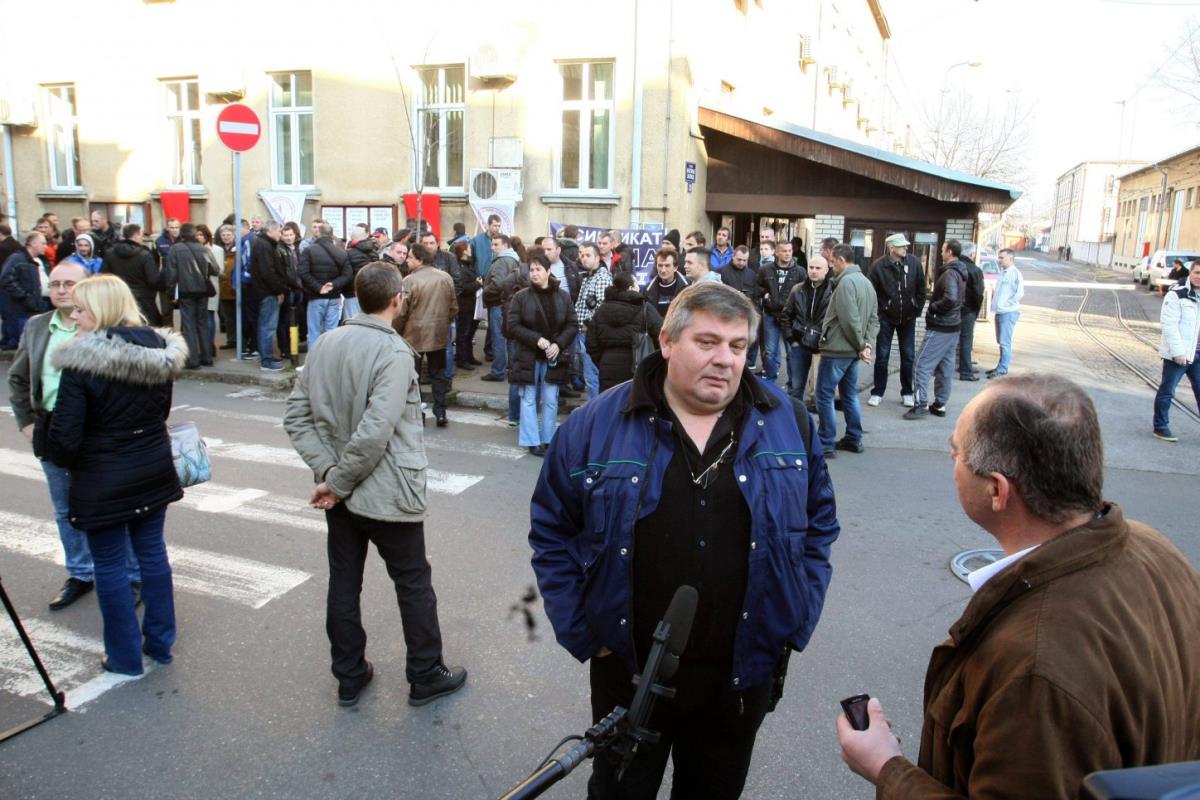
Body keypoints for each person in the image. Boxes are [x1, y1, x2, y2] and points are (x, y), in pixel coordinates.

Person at [530, 281, 840, 799]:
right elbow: (552, 531)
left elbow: (818, 528)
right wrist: (588, 634)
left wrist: (795, 618)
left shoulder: (791, 424)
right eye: (708, 342)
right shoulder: (592, 426)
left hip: (739, 679)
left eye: (737, 347)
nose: (725, 360)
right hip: (627, 675)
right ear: (667, 341)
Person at [837, 374, 1200, 799]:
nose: (951, 459)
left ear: (996, 490)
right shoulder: (1152, 545)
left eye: (956, 451)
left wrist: (885, 768)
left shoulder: (1034, 667)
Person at [283, 262, 468, 708]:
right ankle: (425, 673)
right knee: (412, 581)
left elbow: (296, 417)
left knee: (345, 582)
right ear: (397, 300)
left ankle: (349, 675)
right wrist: (338, 481)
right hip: (385, 491)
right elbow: (375, 431)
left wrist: (329, 475)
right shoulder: (395, 352)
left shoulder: (325, 343)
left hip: (342, 492)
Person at [45, 275, 185, 674]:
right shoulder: (159, 349)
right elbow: (161, 413)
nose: (74, 316)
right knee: (153, 554)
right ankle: (160, 643)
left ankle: (124, 657)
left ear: (101, 311)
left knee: (109, 564)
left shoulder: (81, 361)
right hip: (152, 465)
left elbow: (66, 439)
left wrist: (48, 437)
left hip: (103, 476)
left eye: (81, 309)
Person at [8, 262, 142, 610]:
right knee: (65, 508)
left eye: (70, 284)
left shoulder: (106, 326)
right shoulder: (38, 326)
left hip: (97, 435)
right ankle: (80, 573)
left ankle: (132, 576)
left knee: (115, 509)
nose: (61, 290)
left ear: (88, 289)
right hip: (51, 429)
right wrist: (27, 421)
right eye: (55, 284)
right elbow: (19, 377)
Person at [507, 251, 578, 455]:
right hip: (528, 355)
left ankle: (548, 438)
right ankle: (531, 441)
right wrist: (536, 339)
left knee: (550, 398)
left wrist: (559, 344)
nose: (534, 273)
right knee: (528, 398)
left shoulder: (562, 296)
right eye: (531, 270)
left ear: (548, 271)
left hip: (553, 356)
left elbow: (572, 324)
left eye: (539, 269)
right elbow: (512, 326)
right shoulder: (521, 297)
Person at [817, 244, 879, 456]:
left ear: (842, 260)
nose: (831, 266)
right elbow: (873, 319)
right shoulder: (866, 283)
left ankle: (825, 441)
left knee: (824, 395)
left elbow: (848, 319)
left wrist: (862, 345)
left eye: (832, 262)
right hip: (853, 351)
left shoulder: (846, 283)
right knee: (849, 395)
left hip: (838, 349)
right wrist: (866, 345)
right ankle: (853, 437)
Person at [394, 244, 458, 427]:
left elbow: (402, 311)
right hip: (438, 333)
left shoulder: (409, 281)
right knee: (438, 374)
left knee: (414, 377)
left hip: (413, 336)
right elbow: (453, 306)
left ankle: (418, 413)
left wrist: (396, 330)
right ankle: (441, 412)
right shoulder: (445, 277)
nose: (407, 260)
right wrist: (443, 322)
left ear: (420, 260)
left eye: (410, 257)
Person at [905, 240, 967, 420]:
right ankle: (940, 404)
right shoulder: (961, 271)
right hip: (953, 327)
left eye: (942, 250)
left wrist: (933, 308)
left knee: (920, 365)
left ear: (949, 252)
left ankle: (920, 403)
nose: (940, 253)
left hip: (941, 327)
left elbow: (951, 299)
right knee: (945, 367)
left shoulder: (950, 273)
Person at [867, 233, 926, 408]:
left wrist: (917, 308)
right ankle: (877, 392)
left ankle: (907, 391)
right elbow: (872, 292)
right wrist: (880, 310)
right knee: (882, 356)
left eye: (905, 246)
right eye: (901, 246)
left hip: (908, 317)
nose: (905, 248)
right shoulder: (878, 266)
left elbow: (921, 287)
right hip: (885, 317)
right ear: (892, 248)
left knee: (908, 356)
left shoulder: (914, 263)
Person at [585, 271, 664, 392]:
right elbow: (662, 335)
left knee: (610, 404)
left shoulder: (602, 309)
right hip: (637, 365)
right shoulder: (644, 309)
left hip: (607, 366)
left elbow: (591, 342)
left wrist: (602, 360)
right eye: (636, 284)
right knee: (635, 404)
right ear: (631, 288)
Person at [1151, 260, 1200, 442]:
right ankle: (1160, 426)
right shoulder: (1177, 294)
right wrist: (1178, 352)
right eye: (1196, 272)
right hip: (1178, 355)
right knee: (1167, 391)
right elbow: (1169, 325)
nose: (1199, 277)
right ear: (1190, 273)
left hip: (1198, 354)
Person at [163, 223, 220, 370]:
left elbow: (172, 273)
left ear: (182, 234)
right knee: (202, 323)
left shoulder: (175, 249)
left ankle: (192, 360)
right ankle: (207, 357)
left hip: (185, 291)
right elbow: (215, 270)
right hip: (203, 291)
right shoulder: (204, 249)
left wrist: (170, 291)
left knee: (189, 325)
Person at [781, 254, 832, 403]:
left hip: (821, 345)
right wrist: (791, 339)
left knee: (818, 389)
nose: (813, 271)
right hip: (800, 343)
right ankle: (793, 417)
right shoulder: (798, 289)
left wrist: (827, 340)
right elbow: (786, 315)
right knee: (796, 387)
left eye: (818, 268)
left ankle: (814, 420)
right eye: (811, 267)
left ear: (826, 270)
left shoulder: (833, 291)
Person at [756, 239, 804, 384]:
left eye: (790, 251)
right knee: (770, 351)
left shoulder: (800, 271)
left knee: (792, 352)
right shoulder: (765, 269)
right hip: (771, 315)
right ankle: (770, 381)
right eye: (784, 251)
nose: (788, 254)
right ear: (777, 253)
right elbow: (757, 287)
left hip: (792, 318)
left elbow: (805, 292)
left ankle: (793, 384)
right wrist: (765, 295)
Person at [569, 241, 613, 400]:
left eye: (588, 255)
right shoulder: (588, 277)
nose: (583, 258)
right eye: (581, 255)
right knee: (590, 376)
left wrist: (588, 325)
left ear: (597, 258)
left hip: (591, 334)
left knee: (592, 377)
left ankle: (595, 411)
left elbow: (602, 308)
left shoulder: (601, 277)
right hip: (582, 333)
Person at [298, 222, 352, 350]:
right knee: (331, 333)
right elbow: (347, 275)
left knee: (314, 332)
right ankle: (329, 363)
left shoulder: (309, 250)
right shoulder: (341, 252)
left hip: (316, 297)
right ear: (332, 235)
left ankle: (312, 363)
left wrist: (318, 287)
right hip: (334, 297)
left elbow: (303, 272)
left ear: (318, 234)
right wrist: (333, 285)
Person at [101, 224, 162, 327]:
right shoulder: (145, 255)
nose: (142, 237)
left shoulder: (110, 253)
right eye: (141, 234)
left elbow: (103, 276)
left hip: (119, 298)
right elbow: (153, 280)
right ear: (137, 234)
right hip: (144, 300)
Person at [480, 234, 521, 383]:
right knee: (509, 337)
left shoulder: (502, 261)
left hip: (499, 304)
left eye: (496, 244)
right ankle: (511, 368)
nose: (493, 247)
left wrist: (484, 290)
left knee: (498, 338)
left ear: (505, 245)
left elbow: (498, 284)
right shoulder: (514, 259)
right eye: (492, 244)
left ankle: (498, 371)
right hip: (509, 303)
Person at [249, 221, 289, 372]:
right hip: (267, 292)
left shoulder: (263, 244)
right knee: (268, 326)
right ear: (270, 231)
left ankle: (268, 357)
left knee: (266, 325)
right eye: (279, 231)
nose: (281, 234)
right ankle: (266, 360)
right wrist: (278, 290)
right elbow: (268, 272)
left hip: (265, 291)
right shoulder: (264, 246)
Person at [1, 231, 51, 347]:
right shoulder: (17, 259)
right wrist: (24, 295)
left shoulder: (38, 260)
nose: (46, 246)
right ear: (33, 244)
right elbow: (6, 279)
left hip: (35, 307)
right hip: (21, 310)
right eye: (43, 243)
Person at [988, 248, 1023, 378]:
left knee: (1005, 342)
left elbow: (1019, 293)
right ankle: (1000, 365)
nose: (1000, 260)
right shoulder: (1003, 272)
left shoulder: (1014, 273)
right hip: (1001, 312)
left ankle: (1003, 368)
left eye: (1002, 258)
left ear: (1010, 258)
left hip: (1008, 312)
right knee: (1001, 341)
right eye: (999, 257)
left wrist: (1007, 304)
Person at [474, 214, 502, 360]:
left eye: (499, 225)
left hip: (493, 283)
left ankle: (489, 350)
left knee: (493, 320)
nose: (497, 228)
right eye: (494, 225)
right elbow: (471, 259)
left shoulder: (502, 240)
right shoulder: (477, 241)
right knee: (476, 317)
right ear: (488, 225)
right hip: (479, 281)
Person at [956, 242, 985, 382]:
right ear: (972, 254)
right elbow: (978, 293)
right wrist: (975, 310)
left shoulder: (953, 266)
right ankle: (965, 371)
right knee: (966, 340)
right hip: (968, 310)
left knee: (950, 339)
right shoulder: (974, 270)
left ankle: (959, 366)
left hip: (953, 310)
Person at [644, 248, 688, 317]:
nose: (663, 270)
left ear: (675, 267)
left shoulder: (688, 286)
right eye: (660, 265)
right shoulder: (648, 289)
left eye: (667, 265)